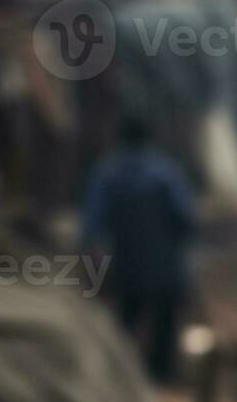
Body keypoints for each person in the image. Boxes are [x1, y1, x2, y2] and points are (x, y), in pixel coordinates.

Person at [81, 120, 197, 381]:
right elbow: (187, 220)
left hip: (126, 266)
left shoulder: (106, 174)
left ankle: (122, 376)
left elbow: (91, 229)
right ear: (150, 140)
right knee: (165, 325)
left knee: (125, 324)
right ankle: (162, 375)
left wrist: (94, 265)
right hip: (165, 267)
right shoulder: (167, 173)